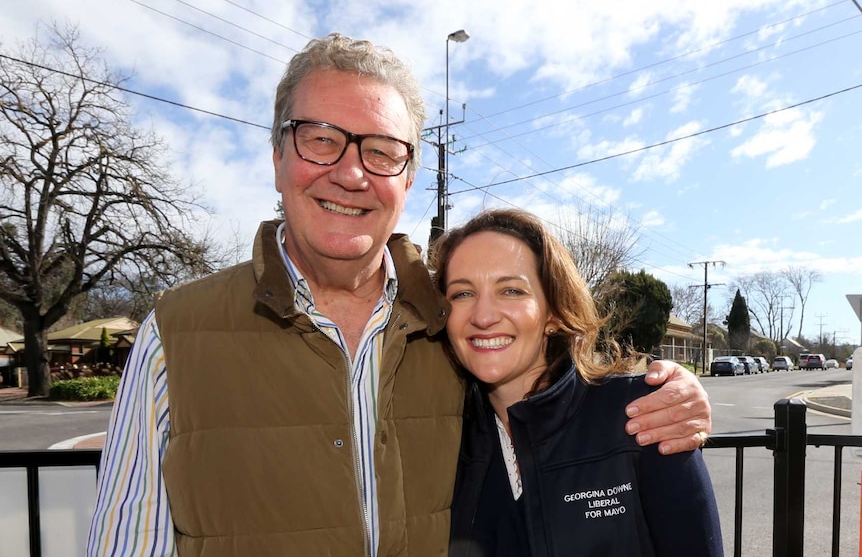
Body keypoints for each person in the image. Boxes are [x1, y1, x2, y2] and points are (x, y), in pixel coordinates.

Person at [86, 34, 712, 557]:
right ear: (277, 156)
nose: (352, 173)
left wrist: (672, 389)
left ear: (409, 177)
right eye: (321, 138)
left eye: (381, 150)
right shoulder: (177, 334)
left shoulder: (446, 335)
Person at [434, 209, 722, 557]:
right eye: (462, 294)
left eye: (511, 290)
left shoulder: (643, 417)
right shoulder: (444, 439)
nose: (482, 316)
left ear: (553, 313)